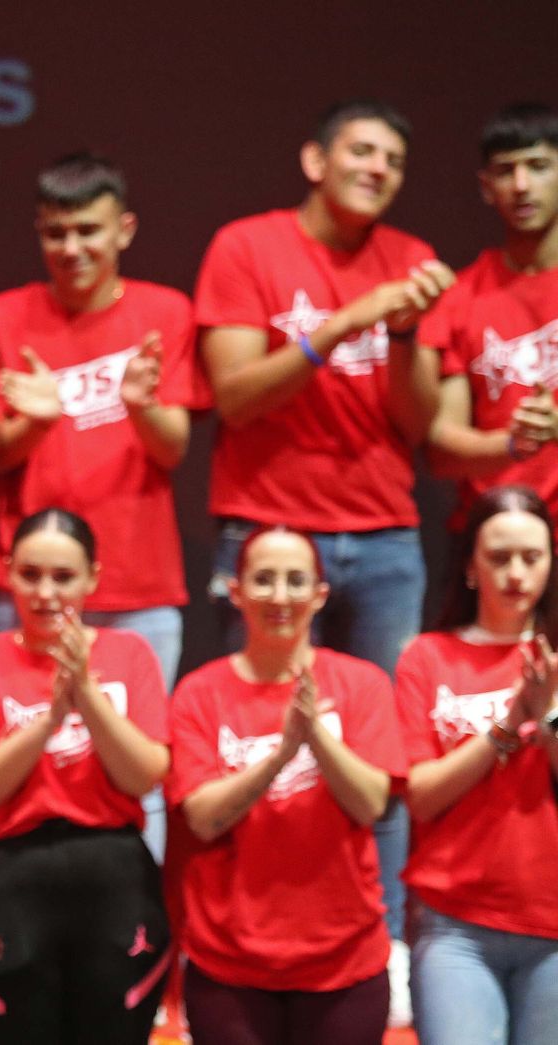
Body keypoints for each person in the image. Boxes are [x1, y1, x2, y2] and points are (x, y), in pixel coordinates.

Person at [193, 100, 454, 1021]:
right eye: (362, 149)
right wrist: (349, 319)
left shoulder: (414, 263)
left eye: (394, 157)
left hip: (382, 535)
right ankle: (243, 947)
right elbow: (233, 394)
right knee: (254, 743)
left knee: (370, 766)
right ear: (315, 157)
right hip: (265, 535)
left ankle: (371, 950)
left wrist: (411, 333)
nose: (378, 167)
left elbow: (424, 428)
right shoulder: (247, 245)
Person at [170, 525, 407, 1045]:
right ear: (236, 591)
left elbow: (371, 804)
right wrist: (279, 756)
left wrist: (316, 736)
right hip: (230, 965)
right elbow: (203, 819)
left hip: (344, 962)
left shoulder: (362, 683)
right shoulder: (200, 693)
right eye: (264, 580)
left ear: (320, 596)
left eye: (296, 581)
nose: (280, 596)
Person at [0, 152, 201, 688]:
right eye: (56, 233)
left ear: (124, 230)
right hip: (32, 588)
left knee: (136, 763)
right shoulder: (1, 318)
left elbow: (173, 451)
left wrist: (141, 406)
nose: (71, 249)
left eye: (87, 231)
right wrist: (35, 422)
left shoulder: (165, 312)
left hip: (139, 590)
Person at [0, 507, 170, 1043]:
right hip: (7, 878)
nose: (46, 592)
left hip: (113, 876)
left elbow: (145, 775)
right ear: (7, 572)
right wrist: (50, 718)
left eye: (63, 576)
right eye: (30, 575)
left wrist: (87, 696)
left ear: (93, 577)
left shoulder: (130, 652)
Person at [395, 485, 558, 1044]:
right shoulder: (427, 657)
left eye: (532, 558)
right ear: (470, 566)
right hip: (455, 923)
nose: (516, 573)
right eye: (499, 557)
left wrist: (551, 715)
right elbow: (421, 794)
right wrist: (508, 723)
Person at [422, 103, 558, 522]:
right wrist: (515, 444)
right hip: (496, 537)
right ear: (485, 187)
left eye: (538, 166)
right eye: (505, 171)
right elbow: (443, 450)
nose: (521, 185)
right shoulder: (458, 296)